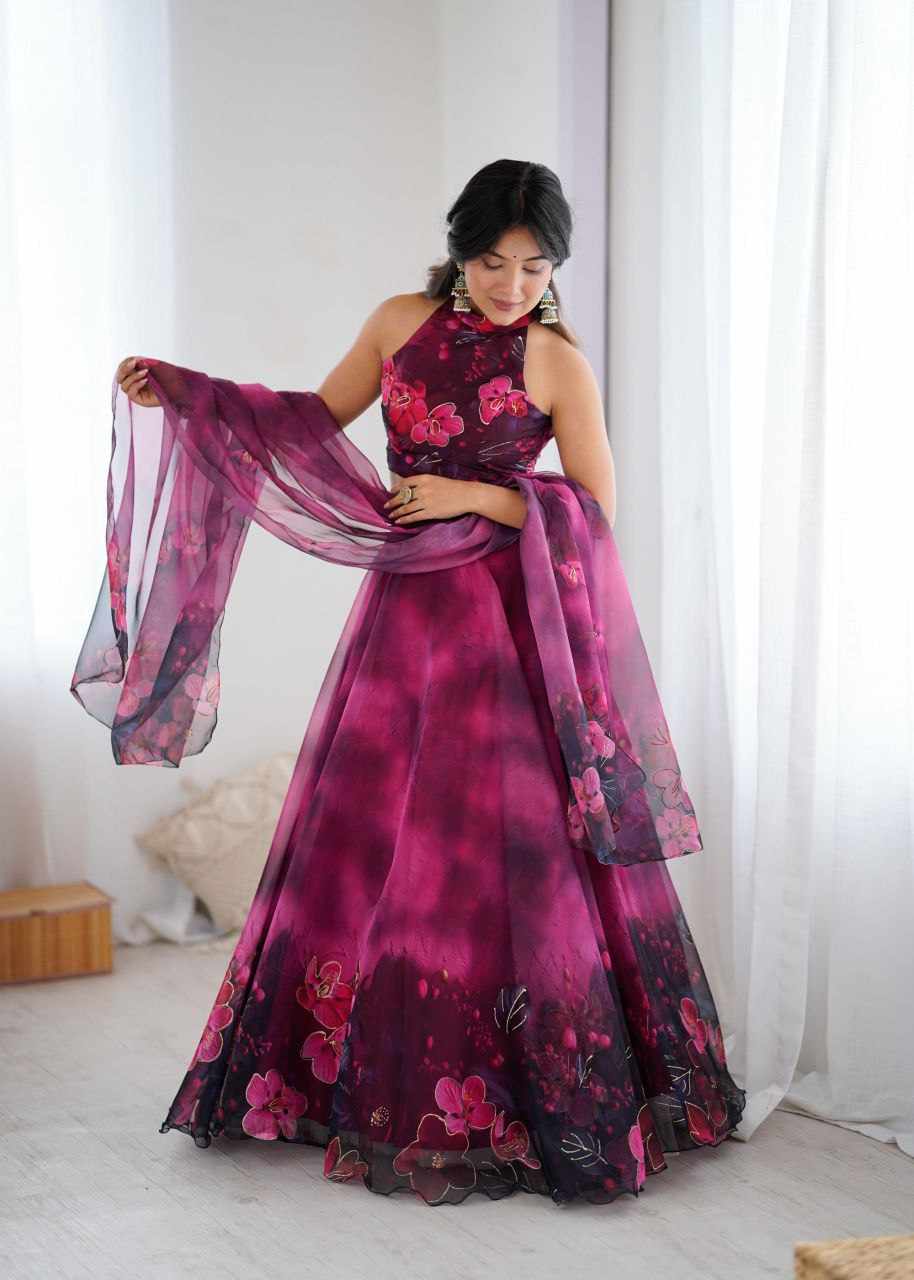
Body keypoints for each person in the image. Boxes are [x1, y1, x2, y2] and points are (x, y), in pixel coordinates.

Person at [74, 160, 746, 1207]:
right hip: (402, 618)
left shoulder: (556, 360)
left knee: (499, 847)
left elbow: (594, 507)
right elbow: (309, 421)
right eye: (493, 262)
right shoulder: (399, 322)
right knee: (378, 837)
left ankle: (528, 1090)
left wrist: (474, 494)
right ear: (458, 252)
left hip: (505, 626)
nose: (512, 285)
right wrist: (191, 395)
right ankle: (349, 1079)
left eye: (536, 267)